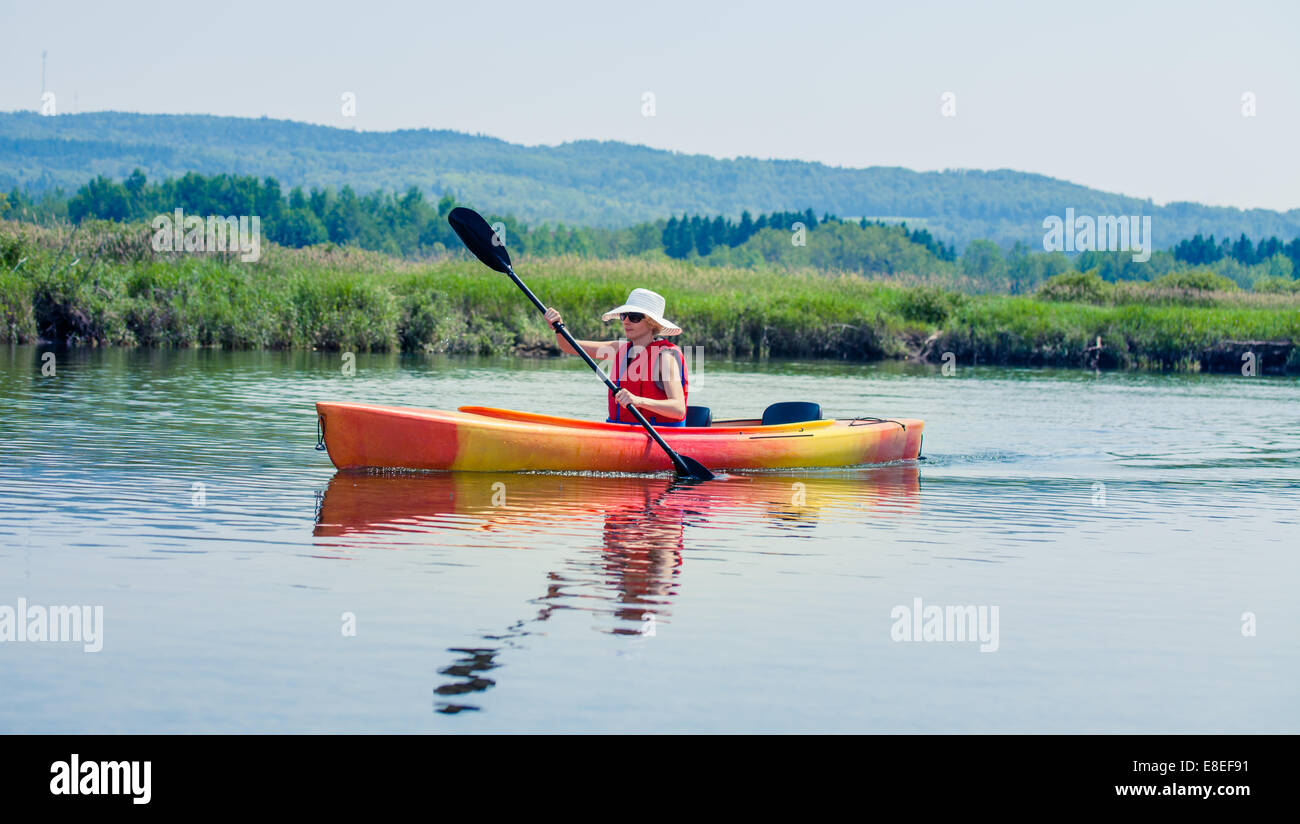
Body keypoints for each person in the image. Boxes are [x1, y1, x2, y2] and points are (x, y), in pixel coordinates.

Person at [543, 288, 688, 426]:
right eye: (624, 315)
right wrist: (558, 327)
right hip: (619, 429)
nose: (626, 321)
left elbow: (679, 409)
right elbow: (569, 346)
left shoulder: (665, 357)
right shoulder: (619, 349)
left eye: (634, 317)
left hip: (659, 435)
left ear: (652, 323)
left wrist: (638, 401)